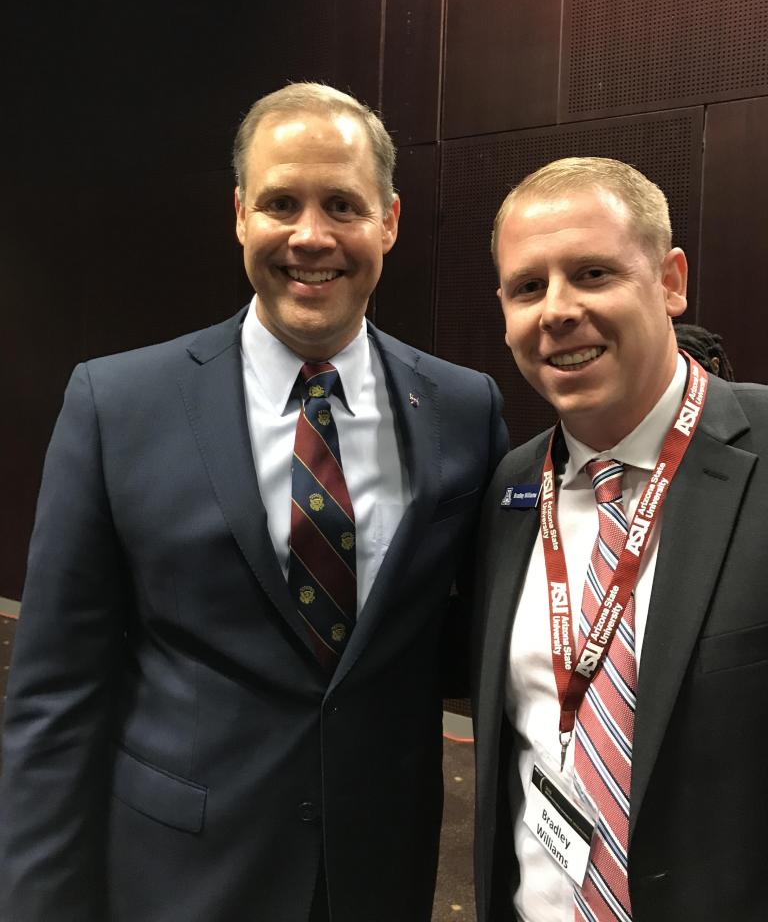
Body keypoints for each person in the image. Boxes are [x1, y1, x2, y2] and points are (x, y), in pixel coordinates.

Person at [0, 82, 508, 922]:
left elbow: (471, 636)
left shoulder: (463, 408)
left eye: (342, 204)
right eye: (281, 203)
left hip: (381, 869)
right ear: (240, 215)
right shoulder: (116, 405)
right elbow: (55, 698)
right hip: (181, 874)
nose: (311, 236)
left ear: (388, 220)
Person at [472, 156, 768, 922]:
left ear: (670, 280)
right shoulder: (508, 492)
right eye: (527, 287)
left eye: (594, 273)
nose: (558, 311)